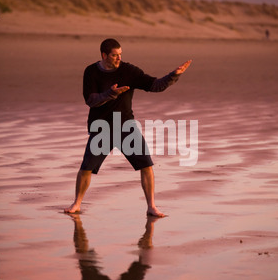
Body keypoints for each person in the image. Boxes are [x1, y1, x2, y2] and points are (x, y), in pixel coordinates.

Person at [64, 38, 192, 217]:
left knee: (146, 165)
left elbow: (154, 85)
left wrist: (174, 75)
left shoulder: (129, 71)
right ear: (104, 55)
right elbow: (90, 100)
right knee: (86, 168)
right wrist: (110, 94)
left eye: (120, 55)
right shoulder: (91, 71)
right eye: (114, 55)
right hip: (101, 127)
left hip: (126, 126)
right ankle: (76, 204)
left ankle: (151, 206)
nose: (118, 58)